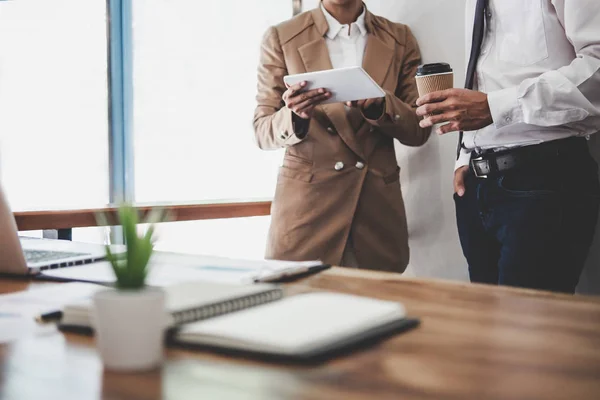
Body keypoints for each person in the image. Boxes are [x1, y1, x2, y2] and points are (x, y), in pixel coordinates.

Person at [416, 0, 600, 292]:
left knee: (527, 332)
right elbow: (487, 74)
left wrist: (495, 106)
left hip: (544, 182)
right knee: (488, 329)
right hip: (478, 186)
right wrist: (465, 155)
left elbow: (597, 65)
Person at [253, 0, 430, 271]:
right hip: (307, 215)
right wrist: (296, 116)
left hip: (376, 214)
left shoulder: (399, 38)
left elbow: (419, 129)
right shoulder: (282, 36)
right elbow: (262, 130)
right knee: (305, 310)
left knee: (377, 311)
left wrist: (381, 105)